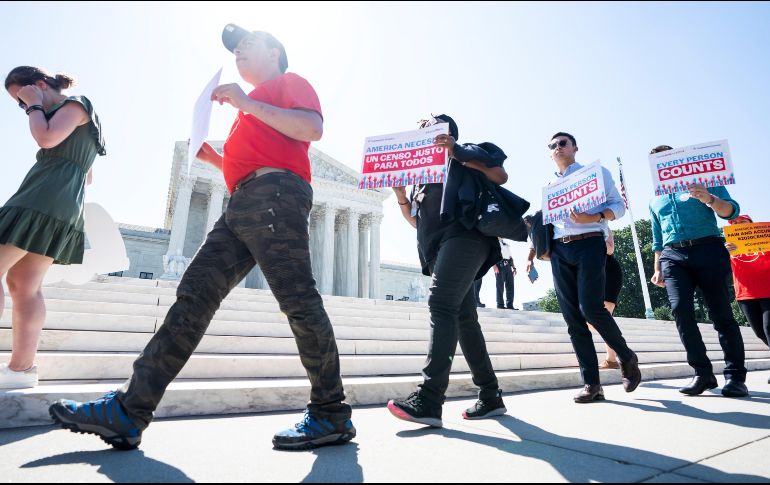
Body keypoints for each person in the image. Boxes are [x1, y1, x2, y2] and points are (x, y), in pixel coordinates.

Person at [50, 24, 355, 451]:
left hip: (277, 196)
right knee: (193, 295)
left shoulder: (289, 84)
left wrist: (246, 102)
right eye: (235, 49)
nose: (238, 52)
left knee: (298, 299)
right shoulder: (247, 113)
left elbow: (311, 129)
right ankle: (129, 410)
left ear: (274, 52)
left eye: (247, 44)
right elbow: (246, 163)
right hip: (242, 202)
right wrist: (211, 155)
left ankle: (330, 412)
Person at [387, 114, 507, 427]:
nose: (421, 128)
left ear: (447, 131)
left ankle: (429, 399)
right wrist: (401, 196)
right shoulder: (421, 175)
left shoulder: (466, 153)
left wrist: (456, 151)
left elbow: (500, 175)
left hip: (466, 237)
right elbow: (417, 222)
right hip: (441, 249)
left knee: (440, 304)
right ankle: (490, 395)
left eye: (428, 124)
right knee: (464, 318)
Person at [1, 66, 105, 389]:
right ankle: (21, 370)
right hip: (60, 202)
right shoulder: (75, 118)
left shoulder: (75, 105)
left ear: (40, 84)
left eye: (21, 98)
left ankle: (22, 368)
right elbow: (87, 174)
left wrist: (33, 106)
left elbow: (46, 138)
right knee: (23, 283)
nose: (23, 106)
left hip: (43, 198)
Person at [545, 132, 641, 404]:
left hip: (589, 242)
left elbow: (618, 206)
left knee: (591, 308)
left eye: (562, 143)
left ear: (575, 148)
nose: (557, 147)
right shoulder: (550, 185)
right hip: (560, 250)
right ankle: (592, 384)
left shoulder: (595, 174)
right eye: (552, 145)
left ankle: (626, 356)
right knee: (572, 319)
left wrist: (595, 216)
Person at [649, 144, 747, 398]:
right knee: (680, 309)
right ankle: (702, 373)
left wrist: (709, 199)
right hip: (673, 256)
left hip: (708, 249)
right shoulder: (655, 199)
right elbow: (658, 238)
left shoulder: (705, 182)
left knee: (721, 313)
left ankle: (735, 376)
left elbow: (731, 211)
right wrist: (657, 267)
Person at [725, 214, 770, 384]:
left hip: (768, 290)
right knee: (759, 332)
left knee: (769, 328)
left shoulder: (765, 238)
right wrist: (724, 253)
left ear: (751, 224)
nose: (738, 224)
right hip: (745, 293)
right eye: (734, 223)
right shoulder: (727, 246)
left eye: (742, 222)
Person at [591, 231, 623, 369]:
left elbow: (610, 249)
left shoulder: (603, 227)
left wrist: (587, 237)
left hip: (608, 272)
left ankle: (613, 359)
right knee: (595, 320)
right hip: (589, 275)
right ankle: (617, 356)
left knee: (604, 317)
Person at [493, 238, 517, 310]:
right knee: (500, 286)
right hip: (499, 265)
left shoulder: (506, 244)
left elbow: (510, 257)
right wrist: (494, 266)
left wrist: (514, 267)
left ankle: (510, 305)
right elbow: (491, 254)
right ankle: (500, 304)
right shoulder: (494, 242)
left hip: (508, 265)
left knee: (510, 285)